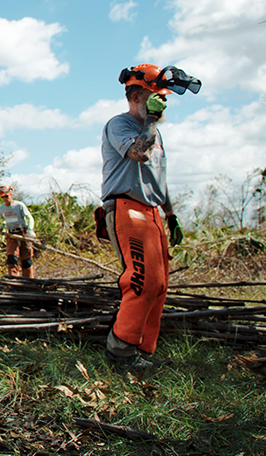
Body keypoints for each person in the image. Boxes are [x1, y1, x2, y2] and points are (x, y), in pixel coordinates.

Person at [100, 63, 199, 372]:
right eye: (156, 96)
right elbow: (138, 155)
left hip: (152, 212)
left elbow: (158, 176)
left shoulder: (153, 133)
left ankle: (143, 351)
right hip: (127, 207)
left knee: (160, 285)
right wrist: (152, 121)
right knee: (143, 281)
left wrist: (170, 214)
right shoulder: (122, 125)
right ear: (136, 95)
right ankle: (120, 352)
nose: (163, 102)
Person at [0, 185, 36, 278]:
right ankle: (13, 281)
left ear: (11, 195)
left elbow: (29, 217)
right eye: (3, 197)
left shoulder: (19, 205)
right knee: (12, 259)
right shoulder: (2, 208)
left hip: (23, 233)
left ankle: (29, 281)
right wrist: (1, 227)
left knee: (26, 259)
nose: (5, 199)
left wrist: (30, 230)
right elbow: (6, 219)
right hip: (11, 234)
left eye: (6, 196)